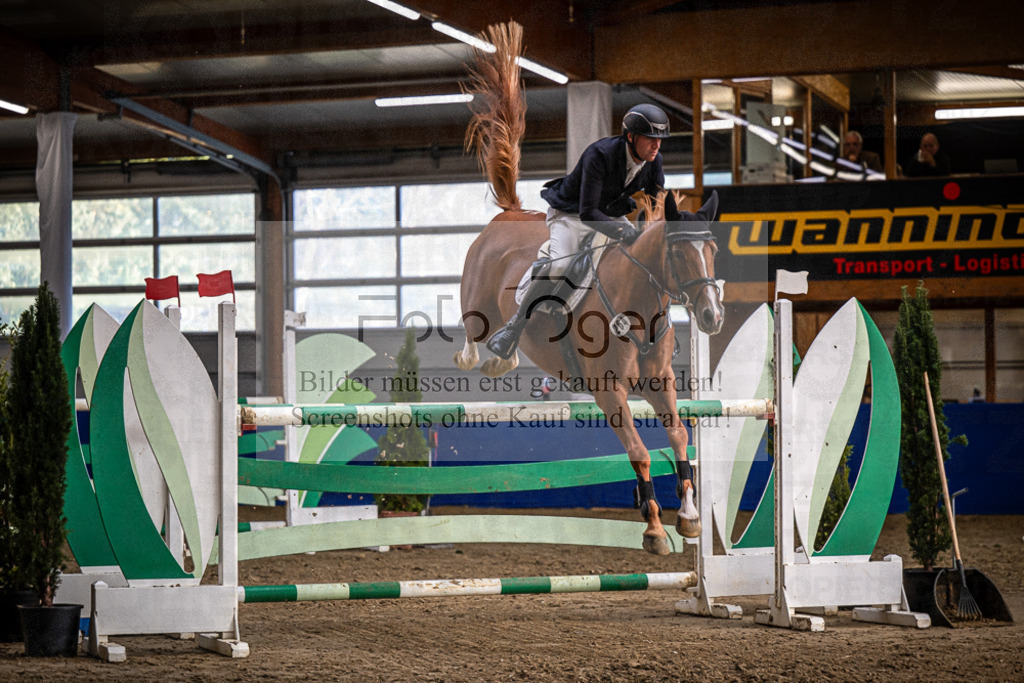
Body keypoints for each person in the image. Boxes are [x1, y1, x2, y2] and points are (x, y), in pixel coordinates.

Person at [486, 103, 685, 359]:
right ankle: (514, 327)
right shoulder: (599, 155)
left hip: (611, 214)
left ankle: (664, 330)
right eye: (650, 139)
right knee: (560, 266)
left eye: (660, 140)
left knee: (645, 261)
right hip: (572, 214)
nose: (656, 146)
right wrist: (621, 232)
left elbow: (656, 200)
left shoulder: (653, 161)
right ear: (631, 137)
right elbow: (588, 212)